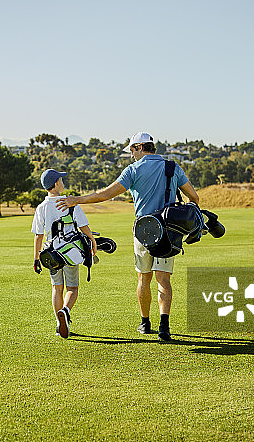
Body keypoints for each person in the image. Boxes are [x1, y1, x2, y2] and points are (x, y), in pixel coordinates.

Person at [56, 132, 199, 341]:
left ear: (140, 147)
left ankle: (145, 322)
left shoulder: (133, 170)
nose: (131, 155)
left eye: (132, 150)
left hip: (144, 230)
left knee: (144, 277)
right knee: (164, 279)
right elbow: (194, 197)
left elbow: (105, 194)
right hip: (170, 232)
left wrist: (76, 200)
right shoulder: (173, 167)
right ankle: (164, 328)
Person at [32, 169, 97, 338]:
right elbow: (83, 227)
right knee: (72, 288)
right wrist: (93, 242)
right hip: (70, 253)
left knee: (56, 288)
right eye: (60, 179)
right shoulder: (70, 203)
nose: (62, 181)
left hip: (51, 254)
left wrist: (36, 258)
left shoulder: (41, 207)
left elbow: (39, 236)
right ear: (56, 184)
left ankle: (58, 324)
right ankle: (65, 312)